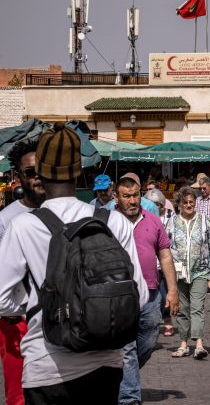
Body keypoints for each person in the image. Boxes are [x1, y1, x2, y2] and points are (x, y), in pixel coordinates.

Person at [0, 123, 148, 405]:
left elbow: (2, 299)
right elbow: (138, 295)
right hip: (107, 363)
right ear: (80, 170)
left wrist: (37, 300)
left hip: (47, 365)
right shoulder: (113, 221)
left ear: (41, 173)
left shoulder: (23, 226)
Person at [114, 173, 179, 405]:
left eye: (135, 196)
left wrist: (172, 290)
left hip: (150, 294)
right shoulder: (108, 221)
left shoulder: (153, 220)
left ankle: (121, 377)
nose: (132, 201)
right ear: (116, 197)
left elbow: (165, 256)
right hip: (119, 297)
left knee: (149, 341)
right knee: (127, 350)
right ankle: (130, 397)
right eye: (126, 196)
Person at [0, 139, 45, 405]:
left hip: (59, 315)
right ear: (19, 177)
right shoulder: (6, 219)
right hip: (17, 317)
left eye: (42, 170)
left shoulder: (62, 212)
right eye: (30, 172)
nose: (38, 177)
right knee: (18, 394)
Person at [168, 186, 210, 360]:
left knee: (197, 307)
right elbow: (165, 247)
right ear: (180, 204)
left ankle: (198, 344)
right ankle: (183, 344)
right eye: (185, 203)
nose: (189, 205)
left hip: (200, 271)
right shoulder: (172, 222)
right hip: (178, 272)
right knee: (182, 309)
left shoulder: (205, 221)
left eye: (192, 202)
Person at [145, 188, 176, 337]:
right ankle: (153, 322)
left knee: (164, 295)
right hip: (150, 263)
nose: (153, 208)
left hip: (164, 262)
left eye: (156, 205)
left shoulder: (171, 217)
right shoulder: (144, 218)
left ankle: (167, 319)